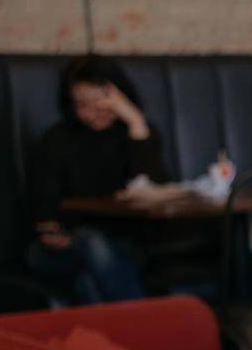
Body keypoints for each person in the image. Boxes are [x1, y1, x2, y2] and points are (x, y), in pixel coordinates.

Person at [27, 55, 166, 304]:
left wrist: (135, 122)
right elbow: (42, 201)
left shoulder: (138, 133)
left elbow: (152, 190)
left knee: (88, 280)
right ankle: (145, 327)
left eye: (101, 102)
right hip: (58, 248)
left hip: (125, 245)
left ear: (120, 98)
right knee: (93, 243)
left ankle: (115, 339)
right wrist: (50, 230)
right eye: (82, 105)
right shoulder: (56, 140)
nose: (92, 113)